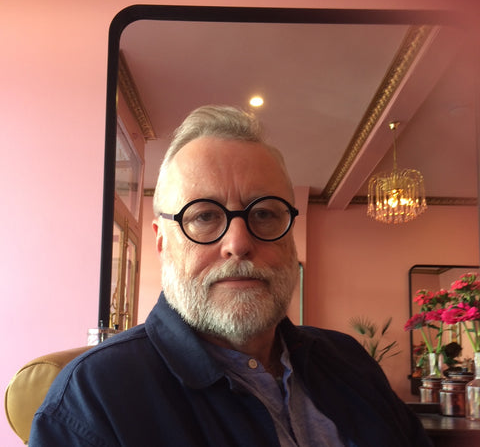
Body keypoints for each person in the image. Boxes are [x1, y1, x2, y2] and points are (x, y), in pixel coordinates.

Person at [30, 105, 432, 446]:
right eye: (204, 216)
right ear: (161, 241)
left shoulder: (348, 360)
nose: (238, 243)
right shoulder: (91, 401)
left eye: (264, 214)